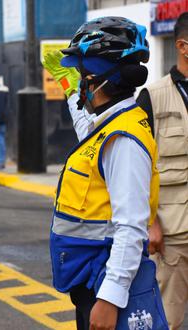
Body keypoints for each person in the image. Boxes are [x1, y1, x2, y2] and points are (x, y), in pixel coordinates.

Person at [43, 17, 168, 330]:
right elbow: (86, 130)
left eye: (81, 76)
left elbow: (131, 225)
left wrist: (110, 298)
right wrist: (68, 89)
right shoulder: (111, 123)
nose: (79, 83)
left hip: (107, 284)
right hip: (93, 279)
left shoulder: (123, 139)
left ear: (98, 79)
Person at [136, 13, 188, 330]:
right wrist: (151, 223)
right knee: (166, 320)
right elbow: (137, 168)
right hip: (173, 236)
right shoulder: (152, 98)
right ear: (183, 46)